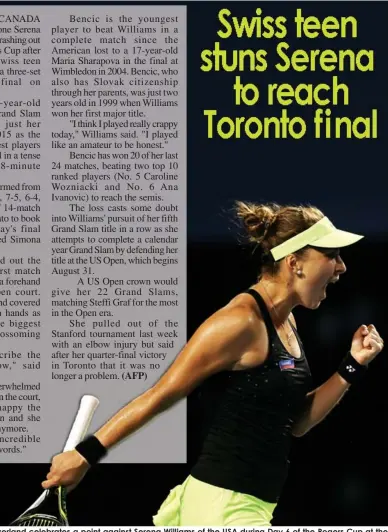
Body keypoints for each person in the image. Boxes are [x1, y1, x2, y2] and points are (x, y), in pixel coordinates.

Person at [42, 201, 384, 526]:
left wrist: (352, 365)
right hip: (222, 508)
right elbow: (160, 395)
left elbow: (295, 423)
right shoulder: (239, 323)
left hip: (240, 506)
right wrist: (85, 455)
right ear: (295, 262)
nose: (341, 267)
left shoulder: (286, 322)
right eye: (331, 255)